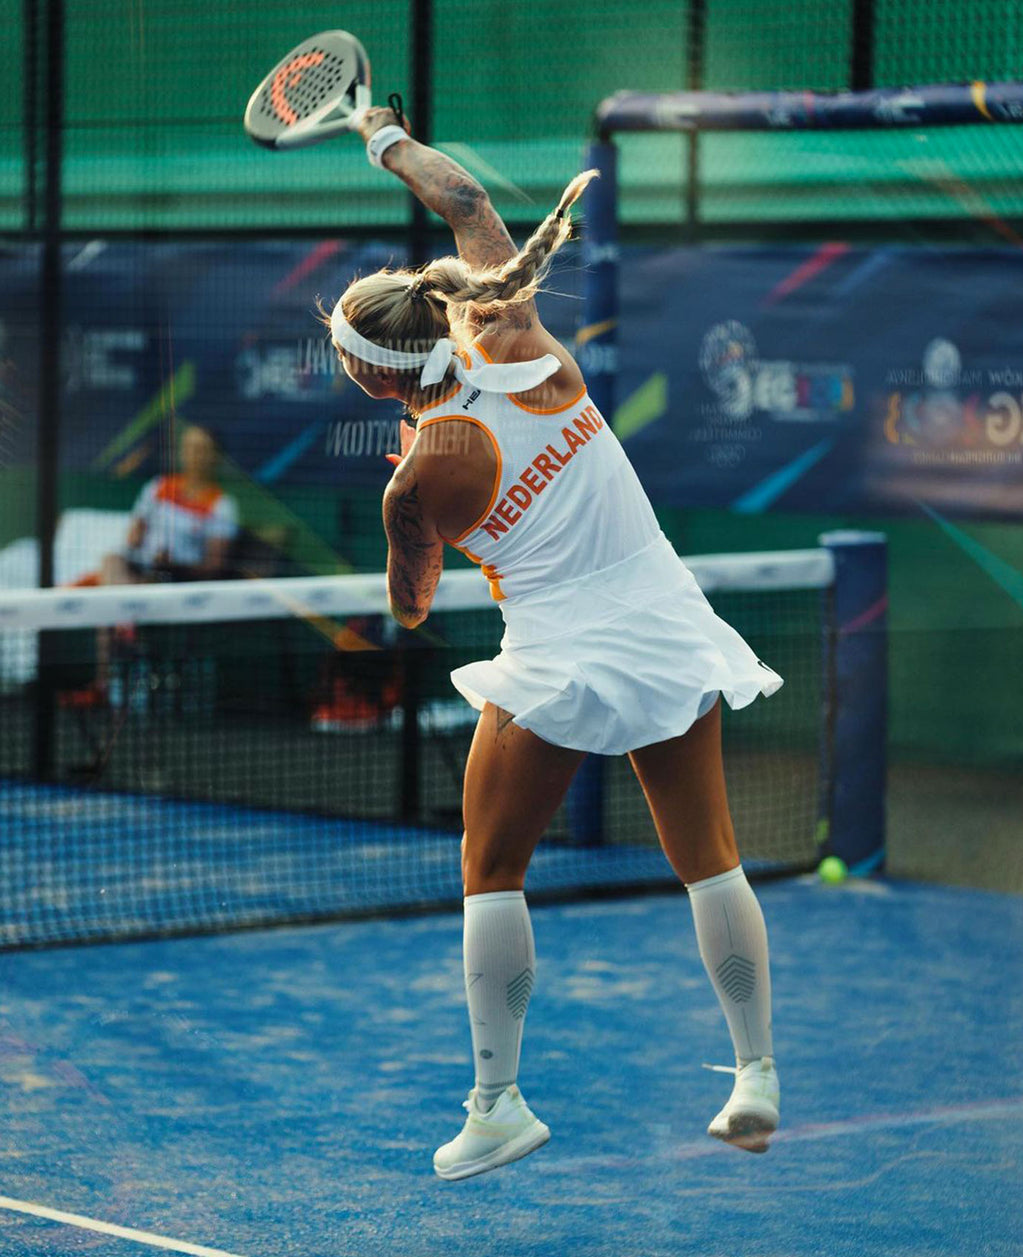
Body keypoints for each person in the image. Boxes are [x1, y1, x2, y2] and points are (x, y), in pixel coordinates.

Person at [328, 105, 783, 1181]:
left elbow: (411, 603)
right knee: (708, 859)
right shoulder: (517, 334)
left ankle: (498, 1107)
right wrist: (386, 142)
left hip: (561, 651)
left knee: (492, 868)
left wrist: (409, 496)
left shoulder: (421, 474)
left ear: (377, 378)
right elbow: (470, 205)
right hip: (663, 615)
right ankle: (756, 1076)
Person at [82, 424, 238, 701]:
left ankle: (105, 677)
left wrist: (173, 564)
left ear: (215, 456)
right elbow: (133, 537)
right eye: (189, 448)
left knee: (109, 605)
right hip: (138, 571)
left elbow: (214, 566)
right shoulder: (158, 487)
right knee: (111, 561)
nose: (194, 455)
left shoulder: (221, 505)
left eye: (202, 449)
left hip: (178, 580)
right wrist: (136, 540)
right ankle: (125, 624)